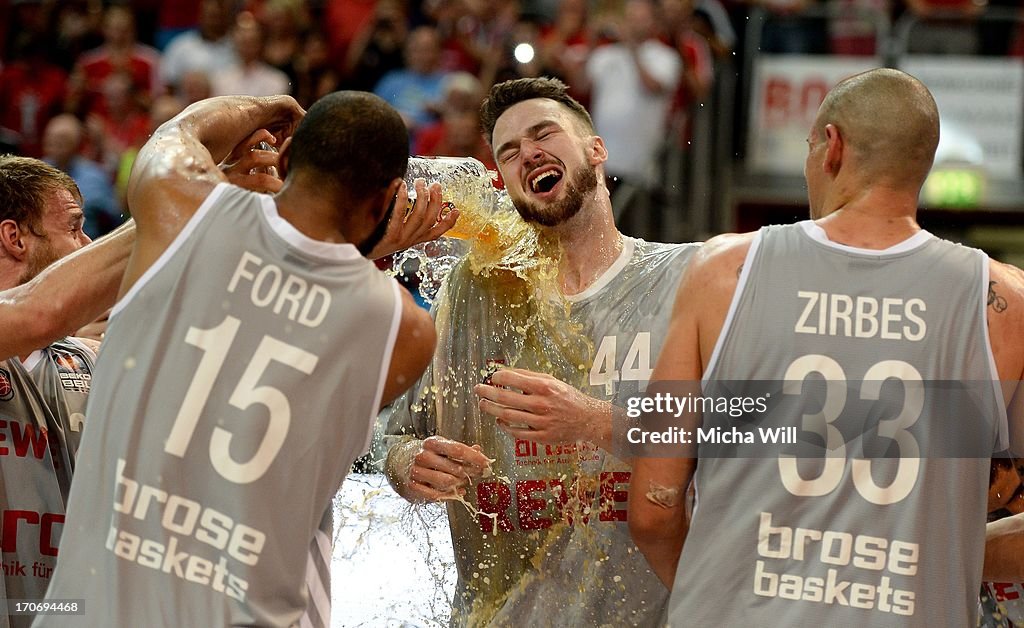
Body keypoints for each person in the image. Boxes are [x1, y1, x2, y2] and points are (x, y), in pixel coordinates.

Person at [628, 68, 1024, 626]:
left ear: (832, 147)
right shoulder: (1004, 302)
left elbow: (652, 508)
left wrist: (711, 590)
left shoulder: (721, 271)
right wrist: (941, 559)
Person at [39, 92, 440, 626]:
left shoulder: (178, 206)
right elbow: (300, 354)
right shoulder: (406, 330)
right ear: (390, 194)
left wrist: (262, 107)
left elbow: (181, 130)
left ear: (289, 157)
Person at [382, 77, 698, 626]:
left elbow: (755, 428)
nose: (528, 153)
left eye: (543, 133)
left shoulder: (688, 279)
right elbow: (400, 434)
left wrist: (597, 422)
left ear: (596, 148)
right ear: (503, 181)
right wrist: (409, 464)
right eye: (508, 153)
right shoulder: (473, 287)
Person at [0, 155, 139, 627]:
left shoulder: (86, 356)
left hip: (65, 612)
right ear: (14, 238)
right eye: (75, 227)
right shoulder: (36, 321)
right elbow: (43, 312)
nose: (88, 245)